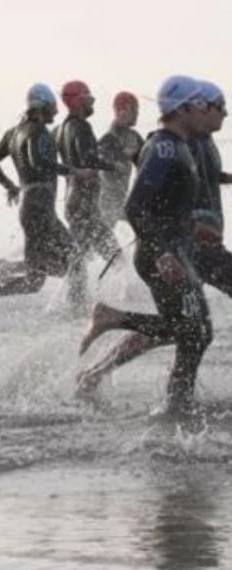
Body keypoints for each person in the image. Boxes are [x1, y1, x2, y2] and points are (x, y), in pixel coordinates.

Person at [77, 79, 229, 401]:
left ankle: (171, 403)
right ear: (187, 108)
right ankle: (176, 409)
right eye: (213, 106)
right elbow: (136, 204)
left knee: (188, 330)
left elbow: (172, 199)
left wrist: (193, 225)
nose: (222, 114)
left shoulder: (183, 144)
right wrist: (163, 251)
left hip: (181, 247)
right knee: (192, 331)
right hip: (169, 252)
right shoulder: (166, 145)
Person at [0, 84, 96, 312]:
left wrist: (11, 186)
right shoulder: (38, 131)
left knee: (38, 278)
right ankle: (77, 312)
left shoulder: (13, 132)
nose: (56, 111)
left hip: (31, 206)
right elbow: (38, 161)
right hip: (40, 208)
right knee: (75, 263)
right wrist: (76, 171)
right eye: (53, 107)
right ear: (43, 106)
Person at [55, 81, 121, 263]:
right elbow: (88, 159)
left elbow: (54, 165)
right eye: (89, 99)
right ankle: (118, 292)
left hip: (73, 202)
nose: (92, 104)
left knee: (80, 261)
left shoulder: (60, 129)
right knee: (115, 259)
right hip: (84, 205)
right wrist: (113, 166)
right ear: (77, 101)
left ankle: (84, 292)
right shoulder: (82, 126)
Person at [98, 92, 144, 229]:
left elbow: (146, 161)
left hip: (124, 199)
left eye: (138, 110)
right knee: (105, 245)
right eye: (133, 110)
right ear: (121, 111)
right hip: (107, 202)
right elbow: (98, 162)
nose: (137, 114)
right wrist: (120, 157)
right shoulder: (108, 138)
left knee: (144, 227)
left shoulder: (134, 136)